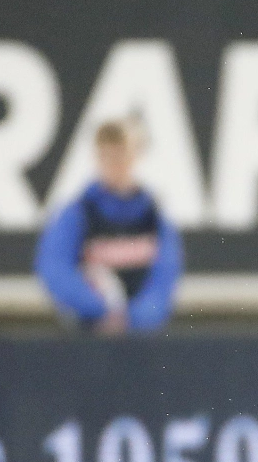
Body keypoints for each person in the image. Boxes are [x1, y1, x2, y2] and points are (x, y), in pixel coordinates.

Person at [35, 120, 183, 334]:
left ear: (134, 156)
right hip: (89, 335)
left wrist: (133, 318)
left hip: (140, 339)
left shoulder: (154, 216)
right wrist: (101, 310)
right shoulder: (77, 213)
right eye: (106, 156)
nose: (113, 165)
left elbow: (164, 280)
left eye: (120, 156)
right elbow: (54, 268)